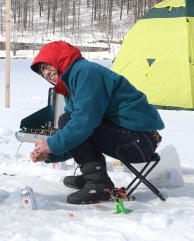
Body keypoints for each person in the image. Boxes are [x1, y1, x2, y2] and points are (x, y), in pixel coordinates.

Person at [28, 41, 165, 204]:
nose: (45, 73)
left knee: (71, 120)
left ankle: (98, 184)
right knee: (70, 120)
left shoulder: (86, 73)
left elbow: (84, 122)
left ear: (59, 59)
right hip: (133, 139)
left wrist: (52, 144)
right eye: (41, 71)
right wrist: (50, 153)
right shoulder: (73, 81)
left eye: (47, 66)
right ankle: (93, 176)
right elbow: (79, 134)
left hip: (139, 142)